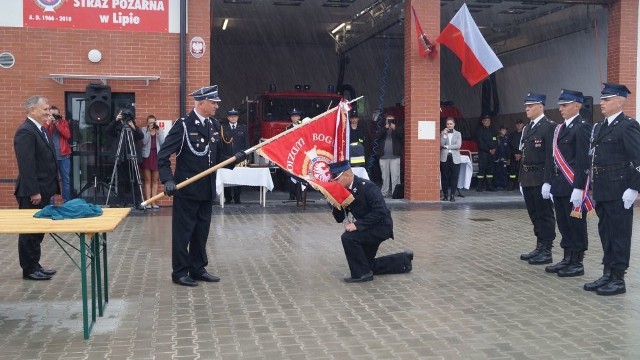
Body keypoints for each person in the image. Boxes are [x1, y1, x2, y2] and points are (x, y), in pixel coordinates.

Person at [158, 85, 247, 287]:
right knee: (183, 234)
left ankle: (198, 268)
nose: (216, 106)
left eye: (216, 103)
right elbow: (163, 155)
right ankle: (180, 272)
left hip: (207, 190)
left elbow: (219, 158)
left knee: (201, 233)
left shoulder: (214, 125)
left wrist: (235, 158)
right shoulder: (184, 125)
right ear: (201, 103)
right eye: (213, 102)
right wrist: (168, 180)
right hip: (187, 190)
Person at [583, 83, 640, 296]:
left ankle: (618, 278)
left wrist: (634, 188)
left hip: (619, 188)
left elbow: (638, 158)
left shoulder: (628, 126)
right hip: (602, 188)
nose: (602, 103)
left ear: (620, 101)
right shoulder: (599, 126)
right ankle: (607, 272)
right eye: (602, 99)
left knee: (619, 234)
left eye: (606, 99)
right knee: (605, 232)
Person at [328, 160, 413, 282]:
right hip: (368, 227)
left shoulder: (368, 187)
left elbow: (380, 212)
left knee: (348, 238)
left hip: (380, 227)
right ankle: (403, 261)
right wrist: (334, 203)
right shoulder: (343, 191)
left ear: (347, 175)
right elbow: (339, 218)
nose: (334, 182)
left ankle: (362, 275)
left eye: (336, 179)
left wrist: (357, 225)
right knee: (366, 264)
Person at [545, 89, 591, 278]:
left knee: (576, 224)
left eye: (565, 105)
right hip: (559, 184)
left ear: (577, 106)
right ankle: (566, 257)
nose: (561, 108)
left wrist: (579, 187)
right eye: (560, 105)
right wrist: (548, 182)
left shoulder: (582, 127)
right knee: (563, 223)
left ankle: (577, 261)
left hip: (573, 185)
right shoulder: (559, 129)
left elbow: (583, 160)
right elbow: (553, 158)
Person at [13, 96, 60, 280]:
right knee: (29, 232)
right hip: (32, 193)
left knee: (38, 232)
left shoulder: (41, 129)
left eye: (49, 109)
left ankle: (35, 264)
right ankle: (29, 269)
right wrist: (34, 191)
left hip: (44, 190)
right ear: (33, 110)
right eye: (45, 109)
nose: (49, 113)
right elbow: (27, 165)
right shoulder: (25, 131)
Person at [518, 92, 557, 265]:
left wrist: (548, 181)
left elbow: (551, 157)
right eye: (526, 106)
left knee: (544, 214)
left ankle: (547, 249)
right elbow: (524, 154)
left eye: (530, 105)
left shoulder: (549, 126)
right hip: (528, 176)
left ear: (541, 106)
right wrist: (520, 178)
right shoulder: (527, 128)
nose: (527, 108)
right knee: (534, 214)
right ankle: (539, 246)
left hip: (541, 176)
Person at [105, 108, 144, 207]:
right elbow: (108, 130)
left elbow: (141, 136)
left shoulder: (133, 126)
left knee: (136, 180)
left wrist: (134, 127)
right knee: (121, 181)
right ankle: (121, 202)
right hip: (121, 158)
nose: (126, 118)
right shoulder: (117, 126)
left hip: (133, 157)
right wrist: (116, 120)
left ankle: (138, 202)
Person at [43, 105, 72, 203]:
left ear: (59, 114)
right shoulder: (47, 124)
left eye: (56, 114)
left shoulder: (64, 123)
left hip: (64, 156)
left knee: (66, 180)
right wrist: (48, 123)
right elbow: (43, 135)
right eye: (52, 114)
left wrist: (57, 124)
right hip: (51, 158)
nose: (54, 116)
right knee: (51, 180)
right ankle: (51, 203)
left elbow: (67, 135)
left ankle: (67, 202)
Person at [221, 108, 249, 204]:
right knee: (227, 177)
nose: (233, 118)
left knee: (238, 178)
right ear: (228, 118)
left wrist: (245, 156)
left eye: (235, 116)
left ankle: (237, 197)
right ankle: (228, 197)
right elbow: (221, 144)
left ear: (238, 117)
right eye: (231, 116)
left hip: (239, 157)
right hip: (227, 157)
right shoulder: (223, 128)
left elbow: (246, 144)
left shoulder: (243, 128)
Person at [376, 114, 404, 197]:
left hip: (395, 157)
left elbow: (402, 137)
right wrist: (385, 128)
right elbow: (377, 136)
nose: (390, 122)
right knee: (385, 176)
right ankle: (384, 193)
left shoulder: (398, 129)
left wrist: (395, 128)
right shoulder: (382, 129)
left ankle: (395, 193)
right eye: (388, 120)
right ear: (385, 121)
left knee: (395, 176)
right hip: (383, 157)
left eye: (391, 120)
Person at [141, 114, 165, 209]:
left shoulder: (159, 130)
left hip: (156, 156)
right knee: (147, 180)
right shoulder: (144, 130)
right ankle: (148, 202)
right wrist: (149, 132)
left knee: (155, 180)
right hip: (147, 156)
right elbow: (143, 142)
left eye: (153, 122)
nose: (152, 124)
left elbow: (163, 143)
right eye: (150, 122)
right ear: (147, 123)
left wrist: (157, 132)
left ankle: (153, 202)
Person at [440, 117, 462, 202]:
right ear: (446, 125)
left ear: (454, 124)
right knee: (444, 176)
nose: (449, 125)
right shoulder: (443, 132)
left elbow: (458, 146)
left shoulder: (458, 134)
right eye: (448, 124)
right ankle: (445, 195)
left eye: (451, 124)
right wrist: (444, 135)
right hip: (445, 157)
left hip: (455, 158)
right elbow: (441, 144)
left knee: (454, 177)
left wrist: (447, 147)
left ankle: (452, 195)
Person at [475, 115, 497, 192]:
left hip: (492, 154)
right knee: (482, 170)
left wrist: (494, 149)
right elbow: (480, 143)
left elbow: (495, 140)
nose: (487, 122)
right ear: (483, 121)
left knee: (490, 171)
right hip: (483, 154)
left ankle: (489, 186)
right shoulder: (480, 130)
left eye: (488, 120)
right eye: (486, 120)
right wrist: (489, 150)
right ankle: (479, 186)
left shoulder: (493, 130)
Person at [286, 108, 303, 200]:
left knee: (300, 175)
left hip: (301, 154)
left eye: (296, 116)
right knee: (291, 175)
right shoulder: (288, 128)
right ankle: (292, 195)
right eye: (292, 116)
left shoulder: (303, 126)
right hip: (292, 154)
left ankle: (299, 195)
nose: (294, 118)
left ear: (299, 117)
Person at [507, 119, 524, 190]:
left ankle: (520, 186)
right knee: (512, 171)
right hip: (513, 156)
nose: (519, 125)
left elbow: (526, 145)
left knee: (521, 171)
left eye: (520, 124)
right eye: (517, 124)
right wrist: (514, 154)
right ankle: (511, 185)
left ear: (523, 125)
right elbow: (509, 146)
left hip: (522, 156)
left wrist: (520, 154)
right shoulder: (512, 135)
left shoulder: (525, 134)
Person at [493, 125, 510, 190]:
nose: (504, 131)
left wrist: (507, 157)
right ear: (499, 131)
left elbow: (508, 149)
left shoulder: (507, 138)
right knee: (497, 171)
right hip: (498, 158)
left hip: (505, 158)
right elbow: (498, 148)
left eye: (505, 130)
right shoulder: (498, 138)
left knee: (504, 172)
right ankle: (497, 185)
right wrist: (500, 157)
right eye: (503, 130)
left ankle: (504, 185)